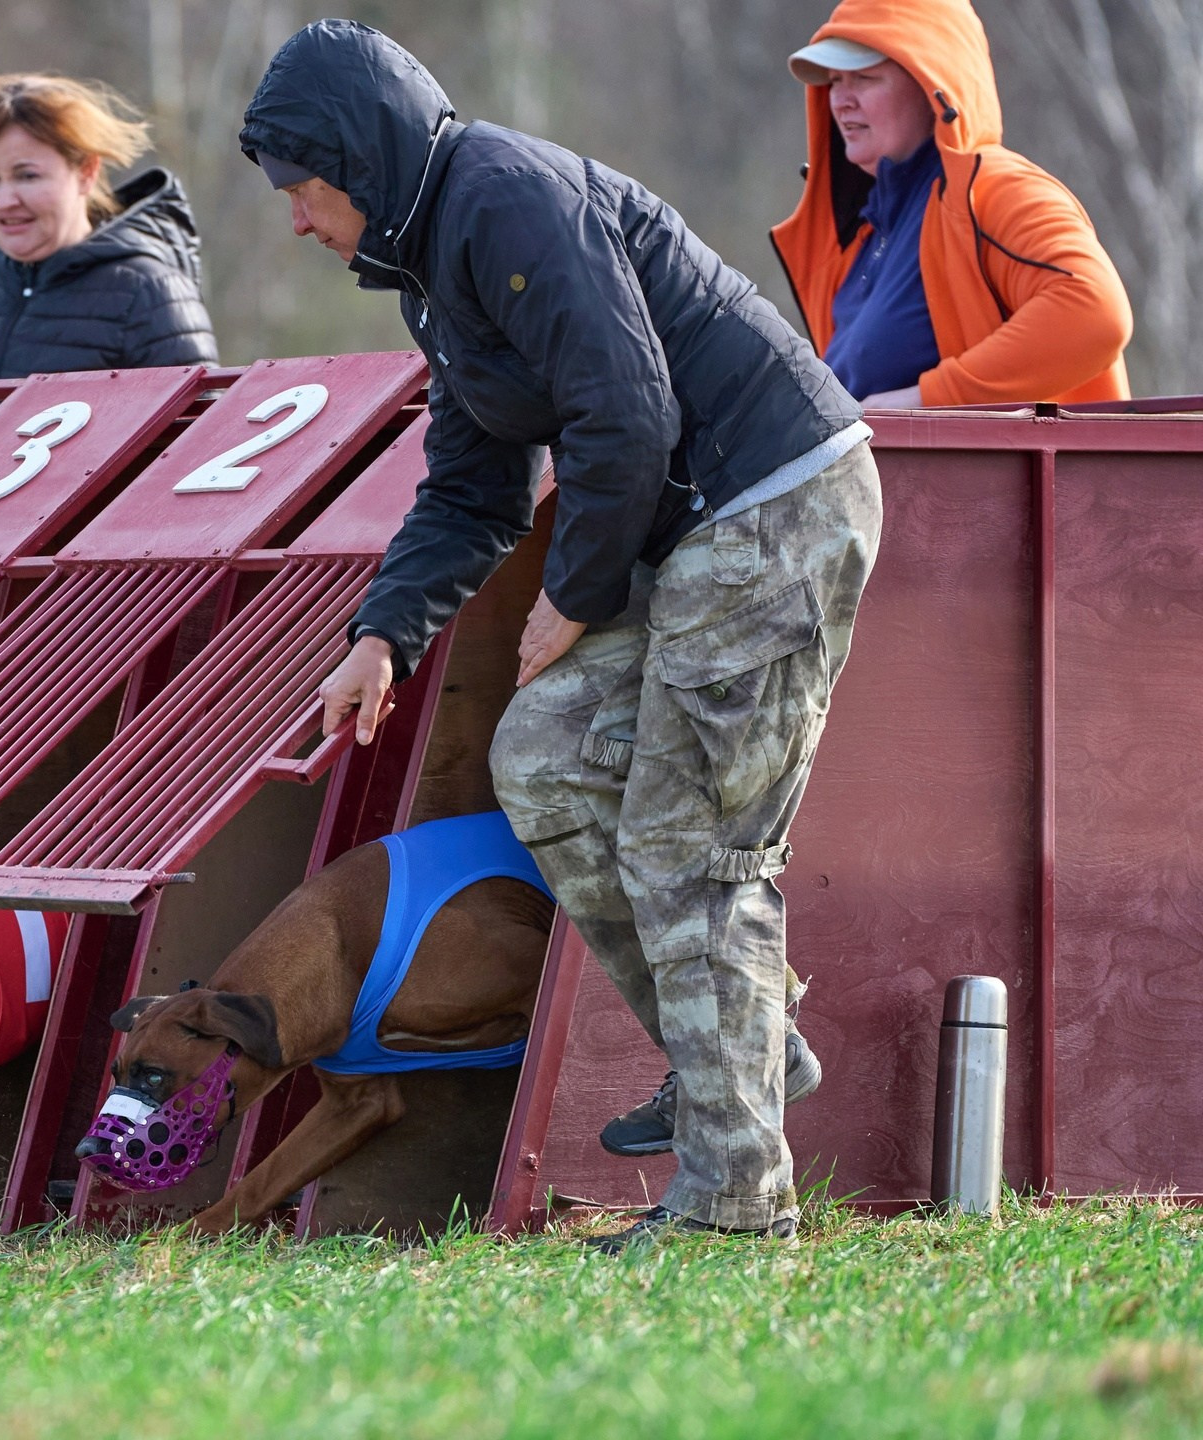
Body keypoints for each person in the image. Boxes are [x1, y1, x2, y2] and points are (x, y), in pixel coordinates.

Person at [249, 21, 877, 1249]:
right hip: (694, 536)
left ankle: (735, 1207)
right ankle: (744, 1048)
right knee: (541, 759)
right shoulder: (433, 263)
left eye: (301, 188)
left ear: (360, 162)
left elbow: (624, 414)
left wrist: (574, 594)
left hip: (777, 507)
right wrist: (380, 637)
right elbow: (471, 487)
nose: (294, 220)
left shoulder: (505, 200)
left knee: (688, 843)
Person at [774, 0, 1133, 408]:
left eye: (865, 77)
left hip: (1010, 456)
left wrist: (924, 402)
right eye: (835, 80)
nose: (840, 100)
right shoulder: (865, 234)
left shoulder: (995, 189)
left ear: (932, 83)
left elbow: (1096, 314)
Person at [0, 74, 216, 379]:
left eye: (27, 176)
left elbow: (201, 417)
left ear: (86, 173)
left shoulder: (149, 293)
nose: (5, 200)